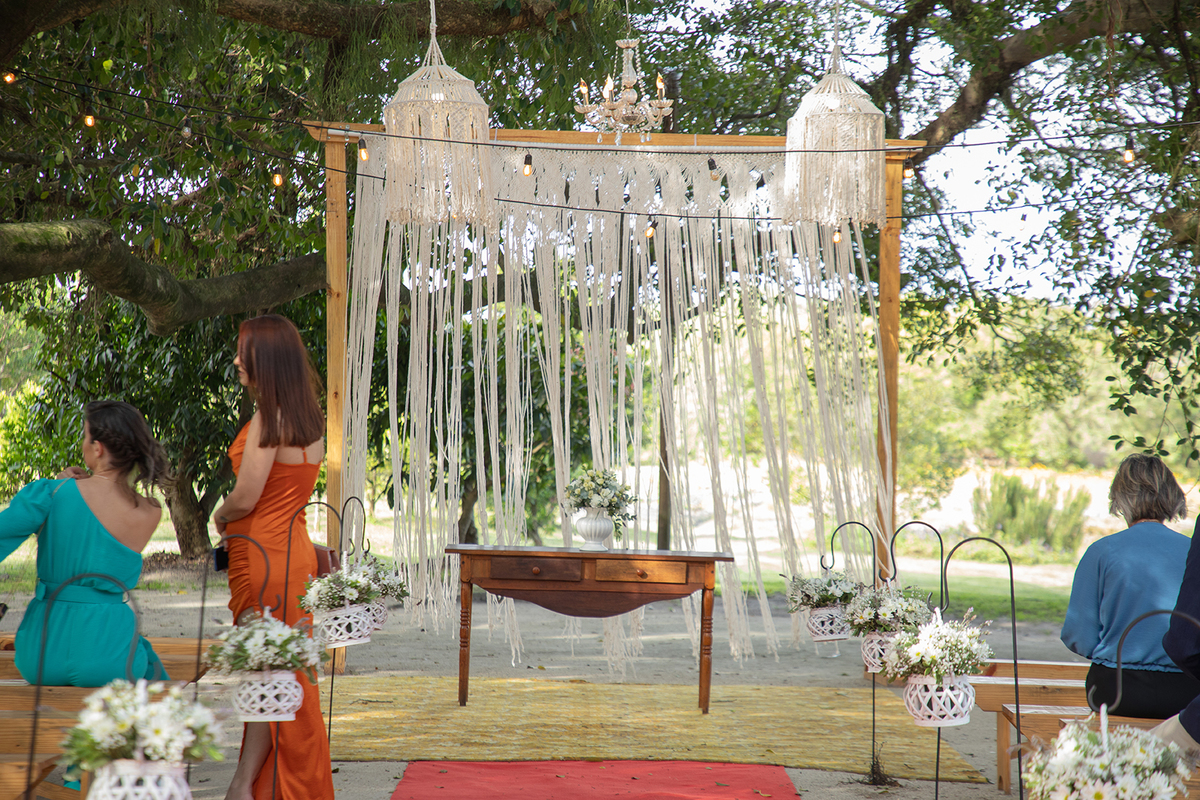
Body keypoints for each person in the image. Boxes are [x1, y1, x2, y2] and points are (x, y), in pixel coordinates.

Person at [213, 314, 334, 800]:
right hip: (294, 555)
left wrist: (221, 518)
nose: (238, 360)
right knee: (279, 671)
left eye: (245, 352)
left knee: (274, 672)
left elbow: (246, 496)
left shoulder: (268, 419)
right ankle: (246, 786)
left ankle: (269, 787)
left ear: (268, 360)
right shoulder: (310, 421)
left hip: (263, 555)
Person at [0, 400, 170, 685]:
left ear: (98, 447)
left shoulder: (51, 494)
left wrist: (59, 487)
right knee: (144, 660)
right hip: (111, 657)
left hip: (41, 655)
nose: (82, 444)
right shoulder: (150, 511)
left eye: (84, 436)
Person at [1060, 453, 1200, 718]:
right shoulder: (1193, 551)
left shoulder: (1102, 552)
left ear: (1120, 498)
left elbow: (1078, 636)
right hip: (1186, 689)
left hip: (1117, 688)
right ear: (1172, 496)